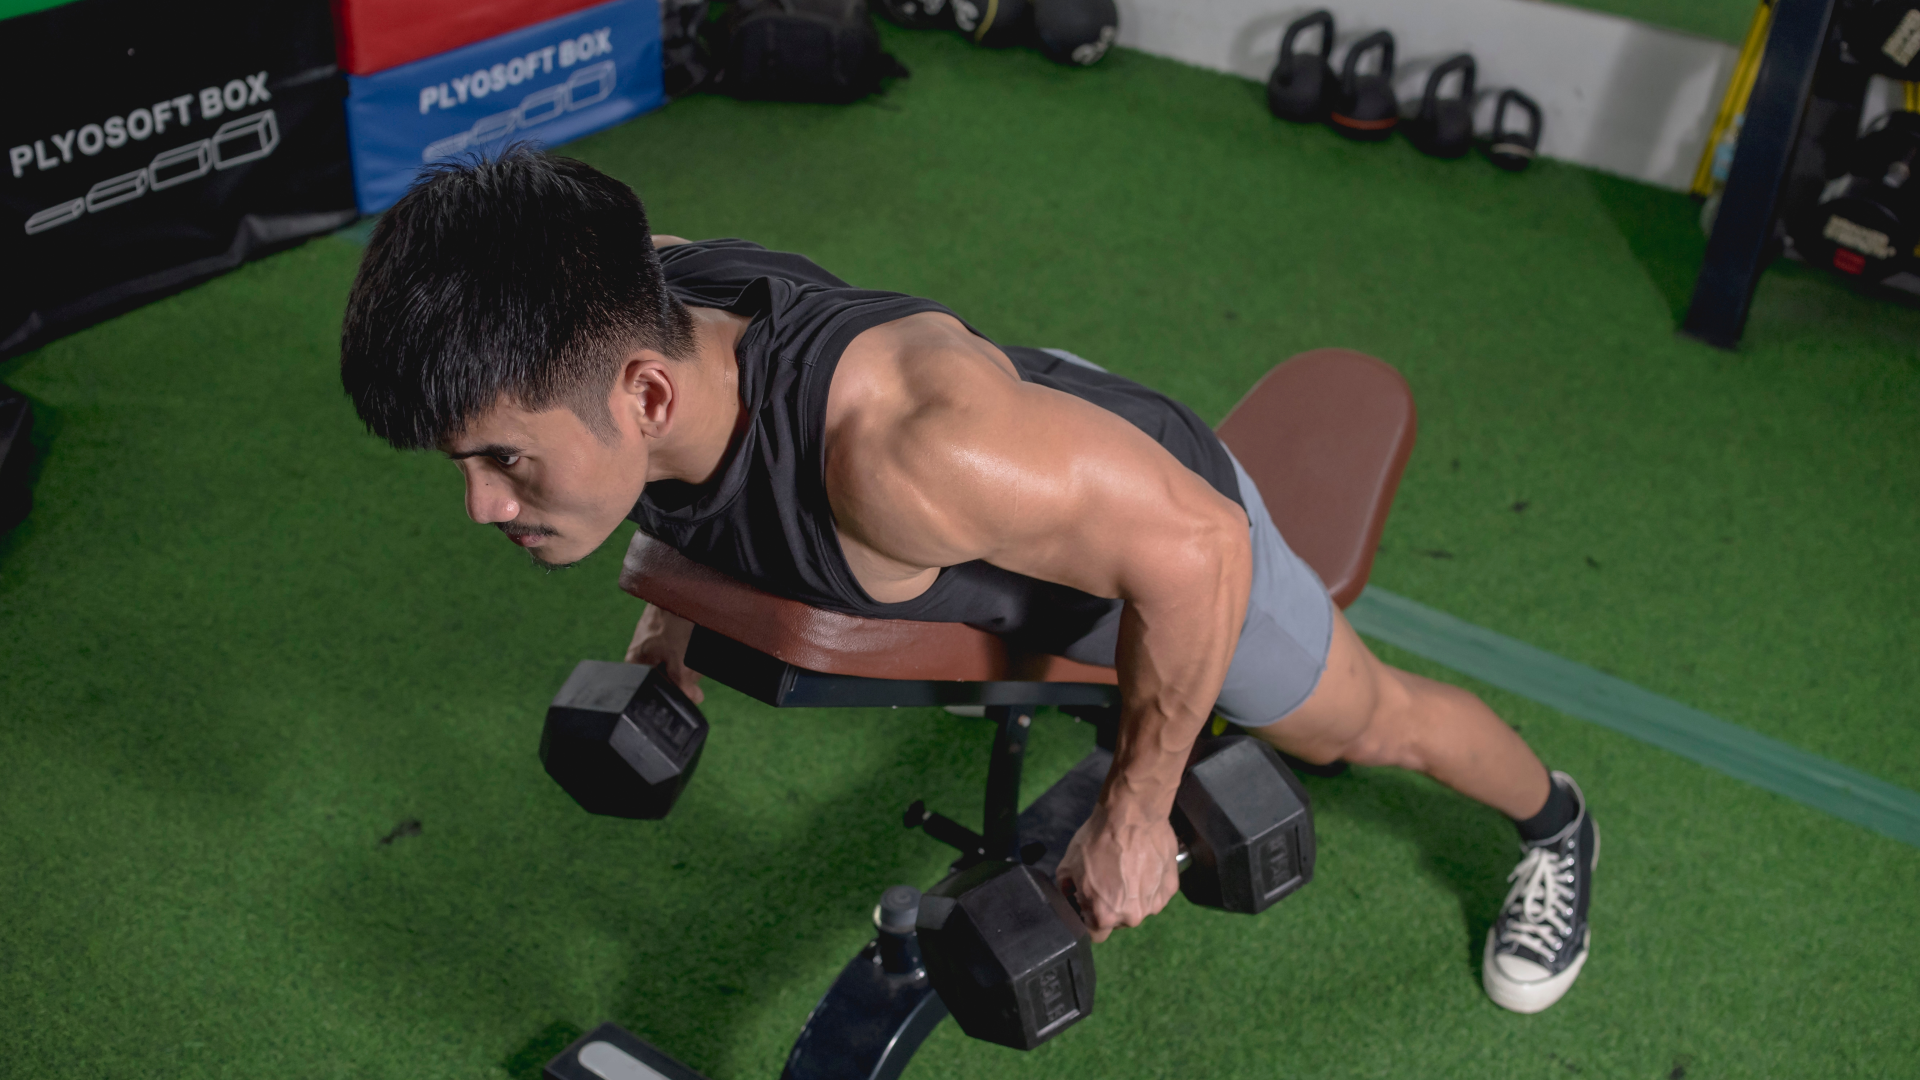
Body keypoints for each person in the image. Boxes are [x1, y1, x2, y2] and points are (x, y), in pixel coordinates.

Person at [339, 148, 1597, 1014]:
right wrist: (672, 633)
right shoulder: (628, 302)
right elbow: (692, 486)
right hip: (1029, 455)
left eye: (505, 463)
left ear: (645, 394)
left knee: (1357, 723)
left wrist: (1135, 812)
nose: (483, 506)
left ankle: (1556, 823)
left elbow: (1198, 550)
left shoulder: (903, 456)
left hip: (1155, 521)